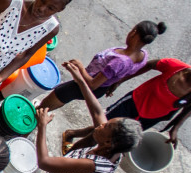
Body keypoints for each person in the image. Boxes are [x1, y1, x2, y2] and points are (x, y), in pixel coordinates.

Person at [0, 61, 141, 173]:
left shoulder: (92, 165)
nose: (101, 125)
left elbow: (44, 162)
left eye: (105, 126)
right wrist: (80, 80)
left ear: (109, 142)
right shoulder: (113, 149)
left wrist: (42, 125)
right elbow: (97, 112)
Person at [38, 21, 167, 112]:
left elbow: (92, 84)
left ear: (134, 32)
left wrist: (80, 68)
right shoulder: (143, 55)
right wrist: (115, 83)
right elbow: (123, 73)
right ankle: (44, 110)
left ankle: (38, 114)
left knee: (60, 94)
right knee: (64, 97)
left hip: (88, 85)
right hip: (103, 86)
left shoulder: (119, 62)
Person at [103, 57, 191, 147]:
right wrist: (120, 81)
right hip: (133, 103)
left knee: (118, 140)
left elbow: (188, 109)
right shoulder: (175, 67)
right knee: (102, 125)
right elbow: (149, 65)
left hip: (151, 118)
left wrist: (175, 128)